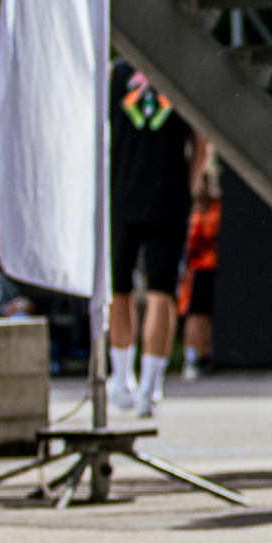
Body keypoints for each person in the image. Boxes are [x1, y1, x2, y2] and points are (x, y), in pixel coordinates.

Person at [108, 60, 210, 419]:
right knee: (160, 292)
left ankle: (122, 377)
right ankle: (149, 388)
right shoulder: (179, 74)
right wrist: (190, 185)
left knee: (119, 289)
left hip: (121, 195)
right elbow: (201, 144)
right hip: (168, 199)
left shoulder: (115, 73)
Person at [179, 183, 219, 381]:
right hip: (196, 269)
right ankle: (192, 358)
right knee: (195, 315)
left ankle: (203, 355)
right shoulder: (195, 215)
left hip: (208, 267)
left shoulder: (213, 210)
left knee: (203, 315)